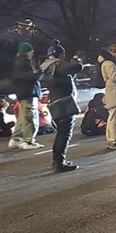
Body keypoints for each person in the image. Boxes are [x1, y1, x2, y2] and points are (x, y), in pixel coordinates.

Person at [41, 40, 84, 171]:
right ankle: (59, 162)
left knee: (62, 133)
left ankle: (58, 161)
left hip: (55, 101)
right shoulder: (58, 64)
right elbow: (76, 68)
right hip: (64, 103)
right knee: (64, 134)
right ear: (60, 54)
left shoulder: (46, 66)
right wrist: (76, 60)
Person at [8, 41, 44, 150]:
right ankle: (29, 141)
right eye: (30, 52)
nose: (32, 54)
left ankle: (16, 139)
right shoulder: (23, 63)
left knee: (23, 118)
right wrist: (39, 73)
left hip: (25, 93)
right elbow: (28, 77)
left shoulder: (20, 62)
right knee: (30, 118)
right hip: (28, 93)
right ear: (25, 53)